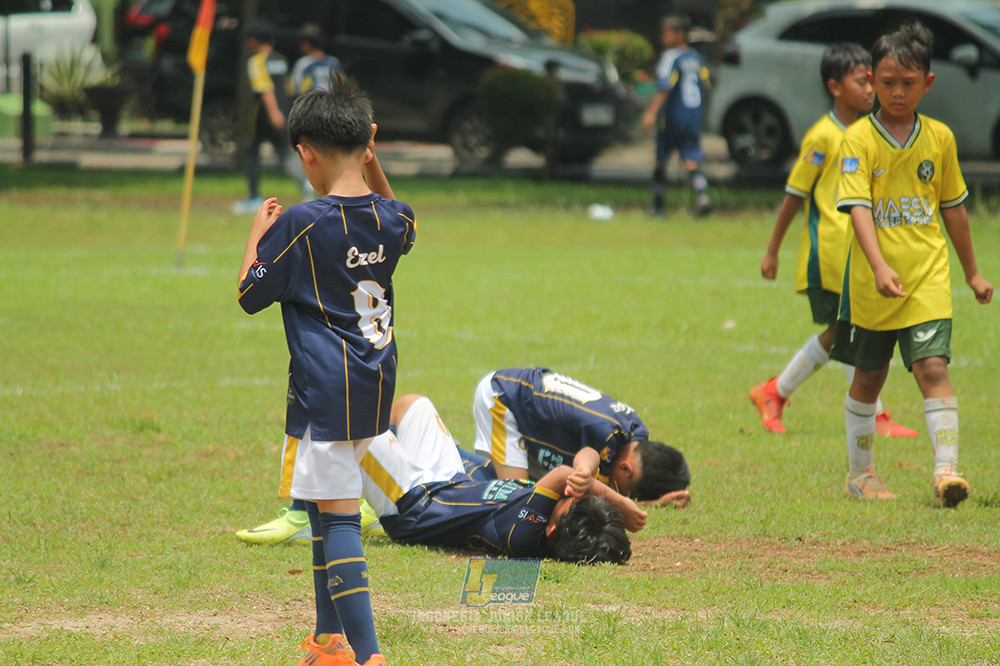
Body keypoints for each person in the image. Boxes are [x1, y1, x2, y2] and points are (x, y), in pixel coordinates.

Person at [237, 76, 415, 666]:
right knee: (320, 507)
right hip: (373, 381)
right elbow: (403, 221)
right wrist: (371, 158)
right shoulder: (390, 217)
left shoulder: (303, 222)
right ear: (368, 143)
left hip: (327, 391)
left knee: (338, 521)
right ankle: (327, 640)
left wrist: (256, 236)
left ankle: (367, 657)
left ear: (305, 153)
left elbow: (249, 293)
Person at [833, 23, 993, 506]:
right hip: (871, 282)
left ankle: (947, 473)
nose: (897, 92)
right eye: (887, 83)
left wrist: (972, 272)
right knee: (869, 377)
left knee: (932, 367)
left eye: (908, 83)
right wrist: (879, 266)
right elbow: (859, 207)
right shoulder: (858, 139)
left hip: (927, 275)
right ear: (871, 81)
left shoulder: (940, 138)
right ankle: (860, 475)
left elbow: (954, 208)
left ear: (928, 82)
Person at [749, 43, 918, 439]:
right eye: (861, 81)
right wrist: (772, 250)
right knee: (846, 331)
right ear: (835, 87)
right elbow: (794, 195)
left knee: (847, 332)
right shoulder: (822, 136)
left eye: (870, 80)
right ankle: (864, 413)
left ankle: (776, 392)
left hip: (858, 255)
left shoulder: (866, 133)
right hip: (828, 256)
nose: (870, 88)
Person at [360, 394, 640, 563]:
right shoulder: (544, 518)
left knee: (355, 424)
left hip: (412, 504)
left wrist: (620, 503)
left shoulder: (525, 533)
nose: (573, 491)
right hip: (449, 481)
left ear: (552, 530)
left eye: (572, 500)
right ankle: (369, 487)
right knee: (413, 404)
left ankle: (349, 504)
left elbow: (566, 473)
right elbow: (588, 455)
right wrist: (588, 477)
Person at [470, 367, 691, 509]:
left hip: (523, 399)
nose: (617, 490)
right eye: (624, 490)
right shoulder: (602, 436)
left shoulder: (635, 432)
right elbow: (590, 495)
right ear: (626, 468)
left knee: (542, 488)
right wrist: (649, 504)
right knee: (518, 500)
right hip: (502, 398)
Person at [232, 22, 311, 215]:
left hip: (263, 116)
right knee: (285, 153)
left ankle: (253, 197)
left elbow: (265, 89)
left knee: (252, 151)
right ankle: (306, 182)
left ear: (252, 41)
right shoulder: (281, 60)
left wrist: (274, 113)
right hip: (284, 113)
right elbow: (288, 88)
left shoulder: (257, 61)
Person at [640, 14, 711, 218]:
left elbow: (665, 88)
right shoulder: (696, 58)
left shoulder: (671, 56)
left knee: (661, 158)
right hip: (693, 116)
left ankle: (658, 206)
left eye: (667, 33)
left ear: (680, 34)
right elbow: (706, 85)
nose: (663, 37)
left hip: (672, 116)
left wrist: (651, 112)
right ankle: (702, 196)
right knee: (690, 158)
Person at [290, 23, 343, 97]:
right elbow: (342, 87)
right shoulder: (334, 62)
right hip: (332, 102)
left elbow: (295, 88)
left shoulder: (303, 63)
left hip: (311, 102)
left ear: (306, 44)